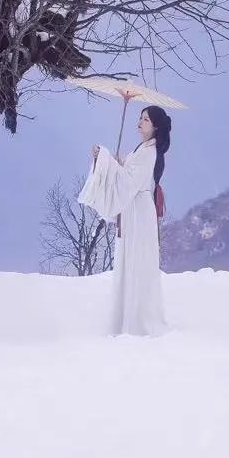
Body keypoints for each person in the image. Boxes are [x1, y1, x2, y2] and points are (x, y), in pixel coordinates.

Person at [78, 104, 170, 337]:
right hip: (134, 210)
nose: (139, 123)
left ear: (156, 126)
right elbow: (128, 174)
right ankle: (128, 319)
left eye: (145, 120)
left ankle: (139, 322)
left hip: (139, 212)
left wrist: (107, 159)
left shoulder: (150, 152)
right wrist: (109, 161)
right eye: (140, 119)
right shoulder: (143, 149)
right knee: (130, 259)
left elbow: (129, 181)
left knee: (137, 261)